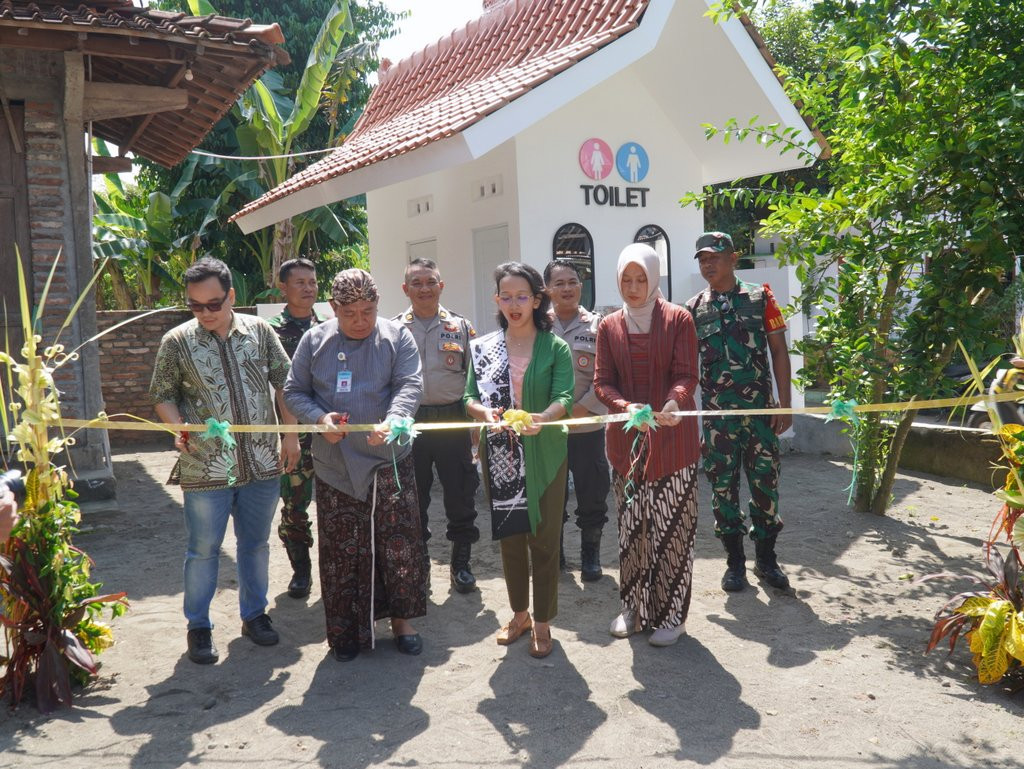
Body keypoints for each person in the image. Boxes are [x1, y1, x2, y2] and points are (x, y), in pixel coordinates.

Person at [150, 257, 300, 665]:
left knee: (255, 545)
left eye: (213, 304)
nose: (205, 313)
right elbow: (162, 394)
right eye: (196, 306)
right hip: (205, 465)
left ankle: (255, 615)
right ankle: (198, 626)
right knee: (203, 550)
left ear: (232, 296)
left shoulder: (261, 332)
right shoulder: (176, 342)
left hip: (262, 461)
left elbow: (285, 385)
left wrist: (290, 435)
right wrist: (178, 428)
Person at [283, 268, 427, 662]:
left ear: (379, 305)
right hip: (335, 463)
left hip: (389, 460)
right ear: (334, 309)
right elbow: (294, 390)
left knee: (398, 544)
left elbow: (410, 384)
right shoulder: (315, 340)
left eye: (368, 310)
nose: (360, 321)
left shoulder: (398, 337)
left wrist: (395, 419)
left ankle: (402, 621)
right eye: (350, 314)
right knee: (343, 548)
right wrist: (318, 419)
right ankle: (346, 629)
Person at [465, 262, 574, 659]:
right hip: (500, 454)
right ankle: (520, 615)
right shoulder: (484, 348)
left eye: (522, 297)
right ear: (497, 300)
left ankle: (543, 622)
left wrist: (543, 418)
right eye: (506, 297)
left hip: (545, 452)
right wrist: (484, 414)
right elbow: (469, 398)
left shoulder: (555, 346)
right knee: (510, 538)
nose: (514, 304)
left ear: (537, 300)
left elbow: (564, 396)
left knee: (544, 541)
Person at [594, 243, 700, 647]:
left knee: (673, 531)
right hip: (627, 450)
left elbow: (687, 373)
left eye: (641, 279)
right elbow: (602, 382)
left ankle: (672, 616)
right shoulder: (609, 326)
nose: (634, 287)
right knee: (632, 530)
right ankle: (632, 608)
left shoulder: (678, 319)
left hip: (675, 444)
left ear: (655, 279)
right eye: (627, 279)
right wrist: (624, 407)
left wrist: (674, 401)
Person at [685, 231, 793, 592]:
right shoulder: (693, 308)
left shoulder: (761, 298)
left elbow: (779, 352)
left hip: (760, 415)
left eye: (715, 257)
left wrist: (786, 404)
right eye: (702, 259)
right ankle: (734, 564)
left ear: (734, 258)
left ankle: (766, 559)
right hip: (718, 420)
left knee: (766, 486)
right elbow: (687, 369)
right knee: (722, 490)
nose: (707, 264)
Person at [394, 258, 481, 593]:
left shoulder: (460, 327)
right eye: (416, 283)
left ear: (441, 286)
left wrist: (475, 424)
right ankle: (420, 565)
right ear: (405, 289)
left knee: (461, 495)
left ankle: (461, 565)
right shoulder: (394, 329)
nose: (424, 288)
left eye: (430, 281)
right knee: (413, 498)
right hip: (412, 424)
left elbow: (476, 378)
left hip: (453, 421)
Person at [543, 259, 610, 581]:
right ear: (547, 289)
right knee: (550, 494)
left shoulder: (600, 326)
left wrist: (583, 408)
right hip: (549, 430)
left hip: (588, 425)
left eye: (572, 281)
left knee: (592, 492)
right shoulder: (537, 326)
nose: (566, 288)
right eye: (559, 283)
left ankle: (590, 557)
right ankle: (554, 555)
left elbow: (608, 376)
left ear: (581, 286)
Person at [267, 258, 329, 600]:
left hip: (329, 430)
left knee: (336, 503)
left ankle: (334, 568)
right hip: (293, 434)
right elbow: (280, 386)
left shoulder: (331, 326)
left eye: (312, 281)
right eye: (300, 282)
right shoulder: (273, 331)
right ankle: (301, 571)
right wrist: (288, 436)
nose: (308, 288)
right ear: (283, 287)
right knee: (294, 504)